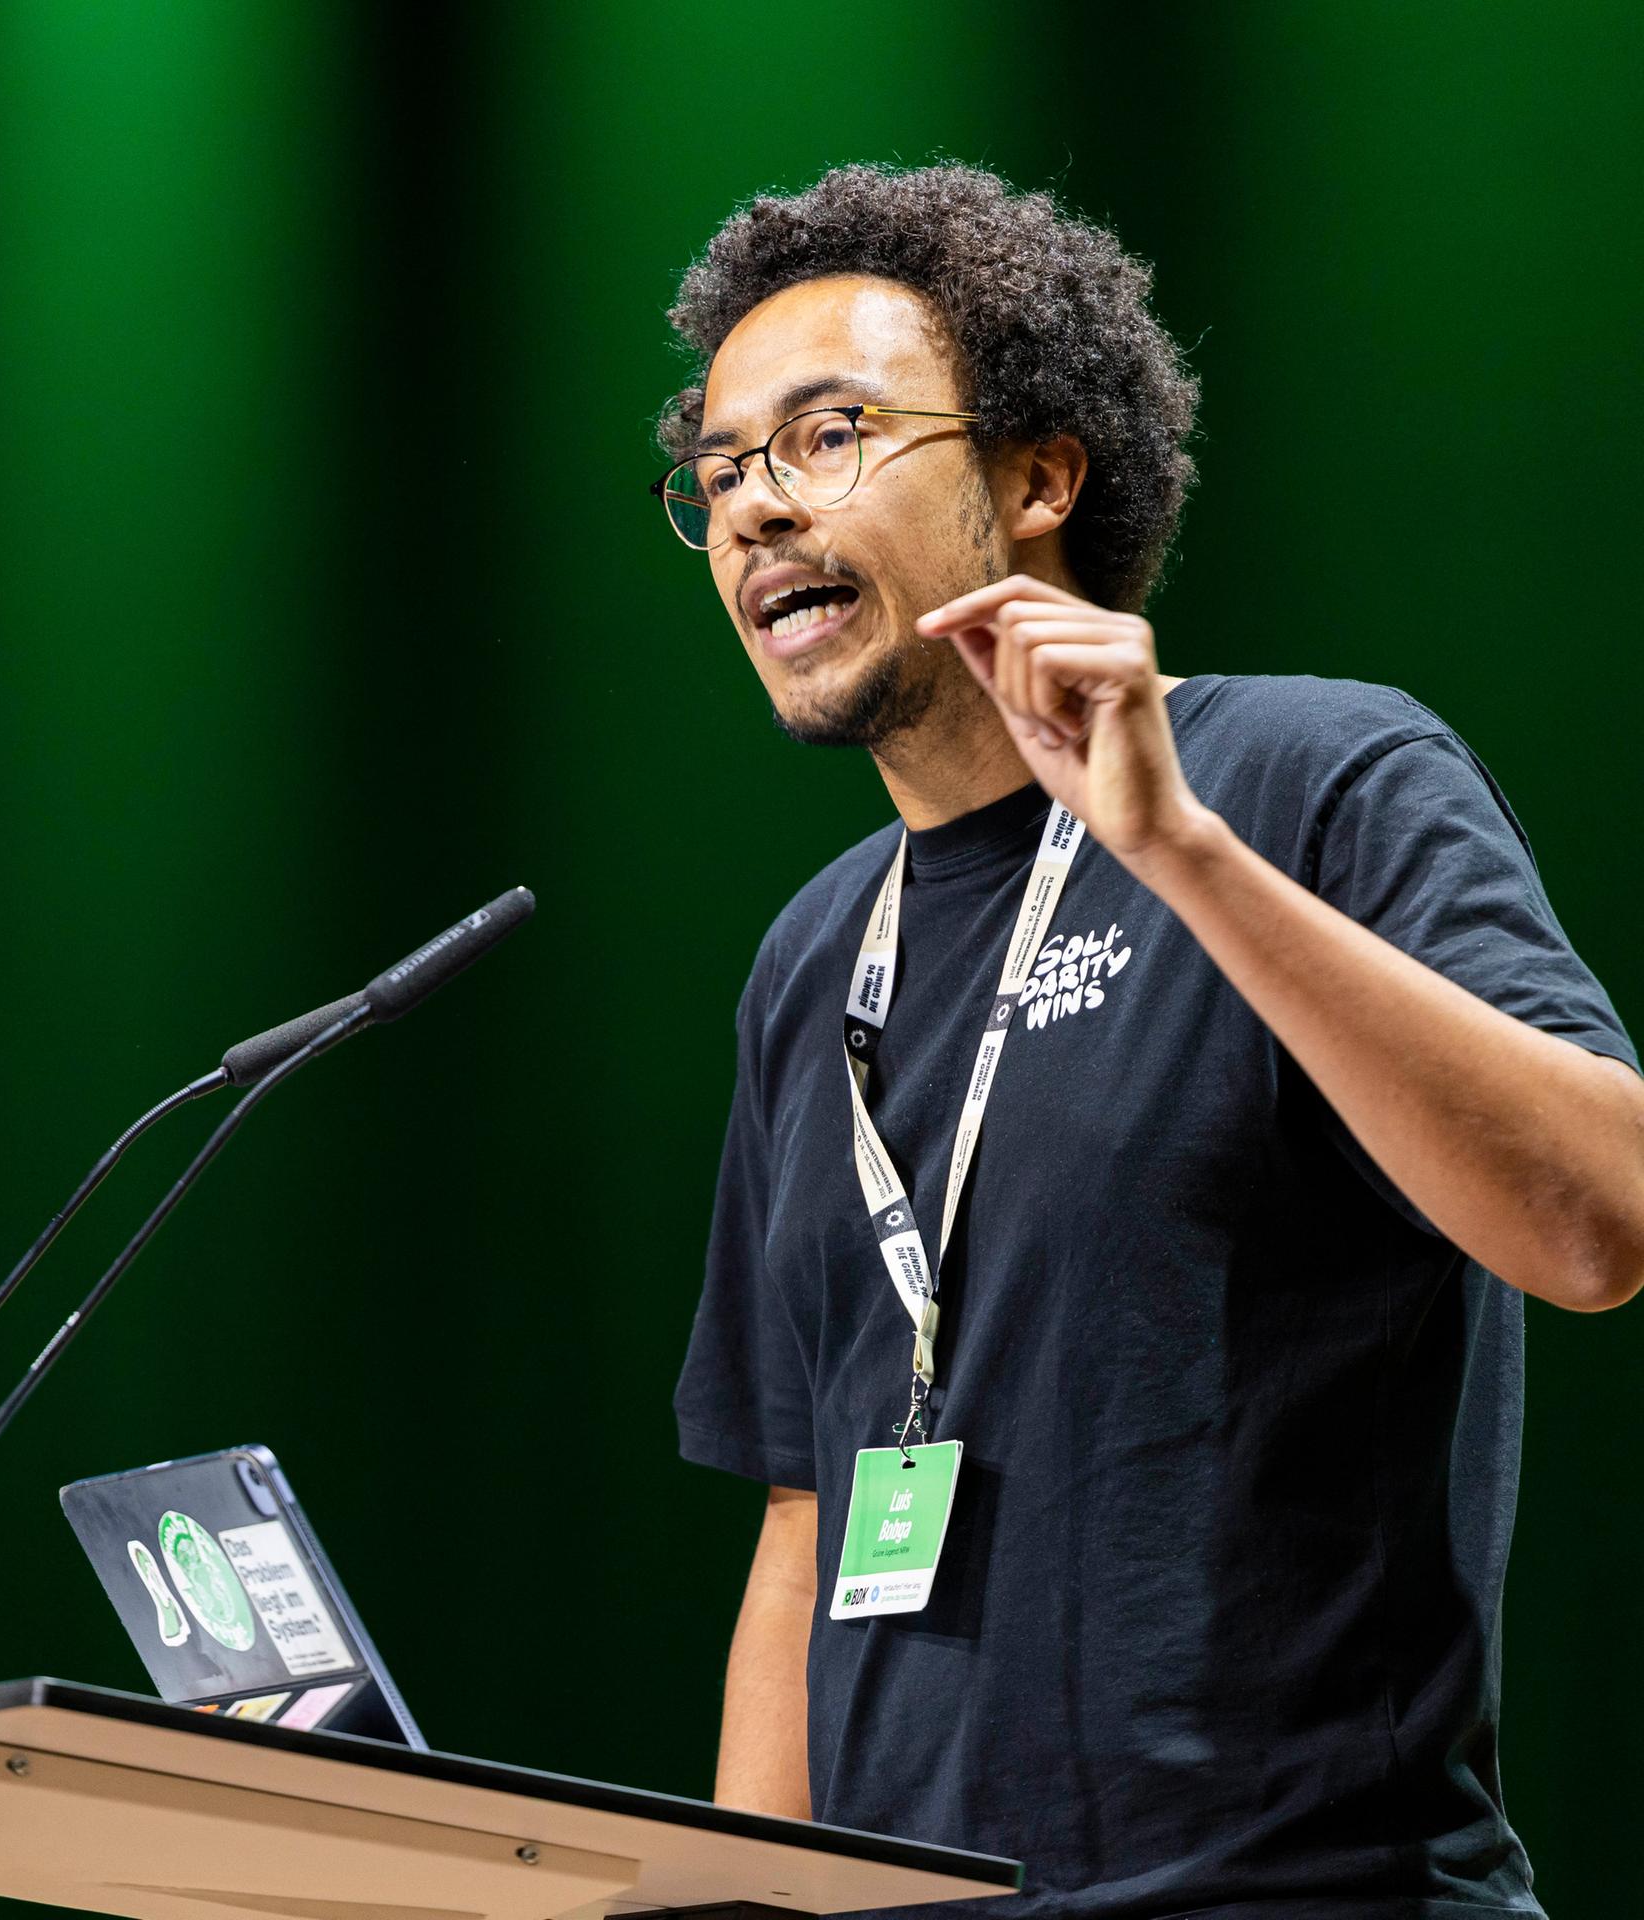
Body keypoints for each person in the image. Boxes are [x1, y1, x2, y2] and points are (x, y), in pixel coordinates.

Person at [662, 163, 1642, 1920]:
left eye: (826, 437)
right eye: (722, 472)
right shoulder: (815, 956)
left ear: (1041, 474)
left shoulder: (1314, 777)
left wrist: (1176, 851)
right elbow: (809, 1523)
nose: (753, 510)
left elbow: (1601, 1225)